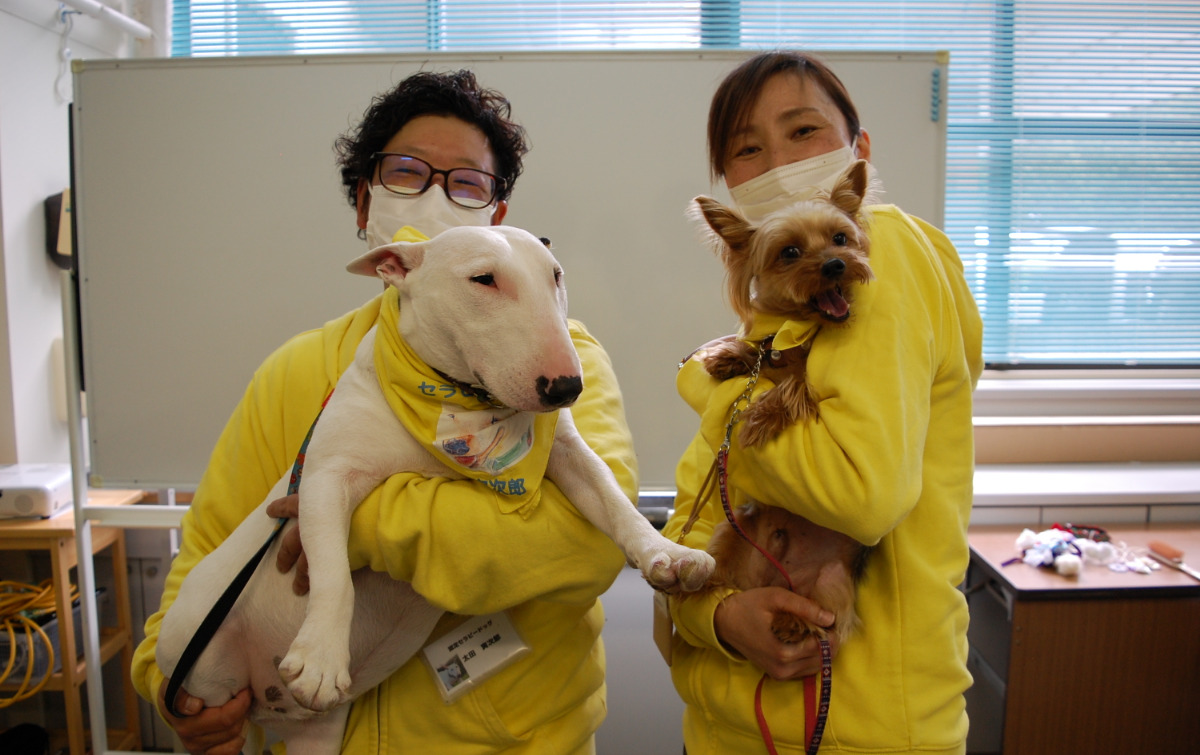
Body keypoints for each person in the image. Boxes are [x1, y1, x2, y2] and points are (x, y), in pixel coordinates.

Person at [131, 69, 637, 755]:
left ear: (497, 220)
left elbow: (586, 546)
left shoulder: (563, 367)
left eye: (467, 182)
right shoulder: (296, 369)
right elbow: (210, 547)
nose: (434, 196)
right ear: (364, 200)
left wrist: (359, 521)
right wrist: (175, 690)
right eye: (407, 172)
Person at [662, 51, 983, 754]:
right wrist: (717, 618)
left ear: (857, 149)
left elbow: (860, 496)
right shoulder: (769, 329)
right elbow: (688, 540)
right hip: (726, 728)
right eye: (748, 149)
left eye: (803, 132)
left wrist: (707, 386)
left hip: (856, 732)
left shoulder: (886, 242)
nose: (777, 161)